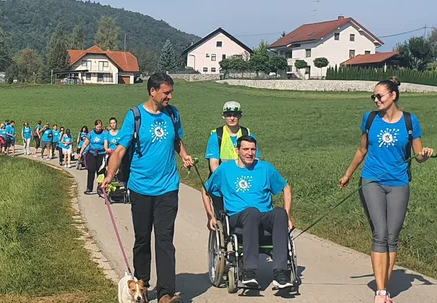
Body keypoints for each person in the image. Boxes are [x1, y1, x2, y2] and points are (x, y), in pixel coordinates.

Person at [339, 77, 434, 303]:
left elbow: (418, 156)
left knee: (392, 236)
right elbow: (362, 150)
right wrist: (348, 174)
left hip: (399, 183)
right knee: (380, 233)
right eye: (374, 96)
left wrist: (425, 154)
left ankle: (384, 284)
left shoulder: (410, 121)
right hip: (372, 180)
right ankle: (381, 292)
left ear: (393, 96)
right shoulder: (370, 119)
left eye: (379, 95)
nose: (376, 99)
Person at [100, 73, 194, 303]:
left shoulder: (172, 114)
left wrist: (184, 155)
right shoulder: (135, 116)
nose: (169, 96)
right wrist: (110, 175)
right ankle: (141, 285)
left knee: (164, 239)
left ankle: (165, 293)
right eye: (166, 92)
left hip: (168, 187)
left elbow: (176, 140)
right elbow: (120, 150)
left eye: (171, 92)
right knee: (142, 238)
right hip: (141, 187)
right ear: (152, 91)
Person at [202, 135, 294, 290]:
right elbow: (205, 191)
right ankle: (249, 271)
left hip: (264, 214)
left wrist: (288, 216)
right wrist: (210, 216)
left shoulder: (265, 168)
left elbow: (286, 188)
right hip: (238, 216)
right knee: (251, 212)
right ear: (237, 150)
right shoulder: (225, 170)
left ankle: (280, 273)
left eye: (252, 149)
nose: (250, 153)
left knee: (279, 213)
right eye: (245, 149)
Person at [80, 120, 107, 195]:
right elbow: (85, 143)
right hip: (92, 154)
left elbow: (106, 143)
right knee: (91, 170)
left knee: (100, 171)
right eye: (97, 127)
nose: (99, 128)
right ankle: (89, 188)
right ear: (95, 126)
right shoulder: (91, 133)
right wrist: (81, 152)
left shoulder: (104, 133)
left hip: (101, 154)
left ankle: (101, 187)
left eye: (100, 127)